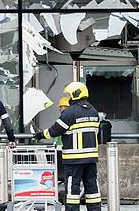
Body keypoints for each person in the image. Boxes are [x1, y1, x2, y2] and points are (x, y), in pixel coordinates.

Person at [33, 82, 102, 210]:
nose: (69, 98)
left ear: (75, 95)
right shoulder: (93, 111)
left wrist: (40, 135)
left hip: (74, 158)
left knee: (72, 188)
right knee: (92, 186)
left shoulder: (70, 112)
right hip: (91, 157)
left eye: (70, 95)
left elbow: (55, 130)